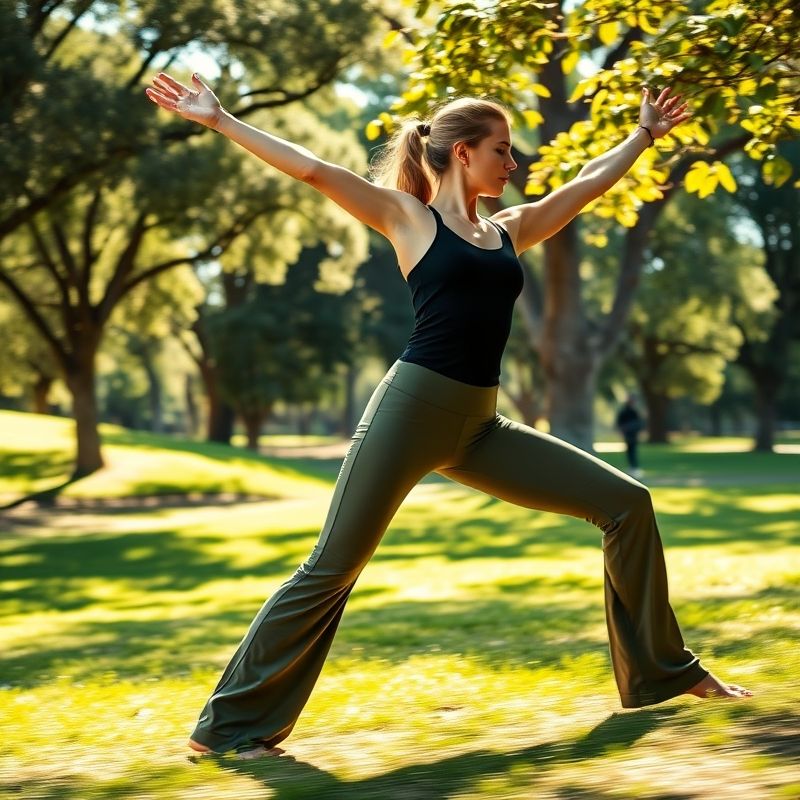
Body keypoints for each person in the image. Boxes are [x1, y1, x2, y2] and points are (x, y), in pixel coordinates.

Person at [146, 72, 752, 757]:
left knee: (627, 503)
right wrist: (221, 120)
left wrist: (643, 135)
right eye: (502, 149)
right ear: (463, 152)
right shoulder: (410, 219)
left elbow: (585, 186)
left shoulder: (507, 230)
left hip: (480, 427)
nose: (513, 162)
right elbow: (315, 169)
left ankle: (665, 673)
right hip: (412, 411)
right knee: (331, 568)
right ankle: (226, 730)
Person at [616, 393, 644, 478]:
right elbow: (620, 422)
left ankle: (634, 467)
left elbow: (639, 423)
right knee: (630, 450)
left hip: (633, 433)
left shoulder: (634, 411)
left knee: (633, 450)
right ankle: (632, 467)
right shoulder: (625, 411)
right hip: (628, 433)